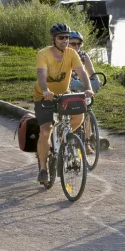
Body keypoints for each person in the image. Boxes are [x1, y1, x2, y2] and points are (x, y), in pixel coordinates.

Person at [33, 23, 94, 184]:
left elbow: (81, 72)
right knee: (45, 130)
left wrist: (88, 88)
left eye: (67, 37)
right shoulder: (43, 54)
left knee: (79, 117)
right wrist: (45, 90)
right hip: (43, 96)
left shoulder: (71, 53)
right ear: (53, 39)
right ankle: (43, 169)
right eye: (61, 38)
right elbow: (41, 74)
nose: (65, 41)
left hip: (63, 94)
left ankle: (61, 139)